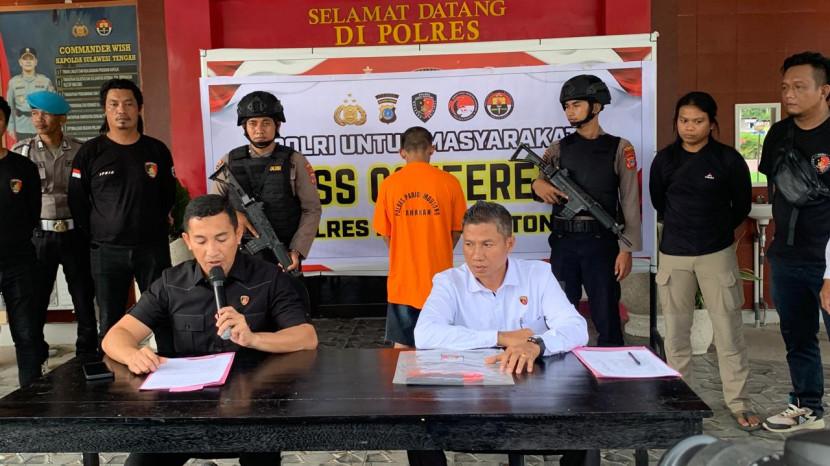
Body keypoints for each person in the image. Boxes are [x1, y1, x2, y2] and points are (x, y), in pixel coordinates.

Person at [102, 194, 318, 466]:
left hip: (254, 410)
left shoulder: (269, 278)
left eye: (221, 238)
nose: (212, 251)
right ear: (188, 241)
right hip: (183, 413)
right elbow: (115, 337)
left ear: (238, 234)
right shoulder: (171, 283)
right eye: (201, 241)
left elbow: (306, 337)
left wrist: (254, 338)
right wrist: (132, 355)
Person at [414, 201, 589, 466]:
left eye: (487, 244)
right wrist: (499, 337)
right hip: (468, 402)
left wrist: (537, 344)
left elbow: (576, 327)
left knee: (587, 424)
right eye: (469, 244)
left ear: (509, 243)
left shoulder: (538, 275)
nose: (476, 255)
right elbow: (425, 334)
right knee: (416, 424)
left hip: (533, 397)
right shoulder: (449, 282)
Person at [649, 91, 758, 431]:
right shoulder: (664, 160)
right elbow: (659, 203)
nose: (689, 127)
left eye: (698, 121)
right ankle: (683, 403)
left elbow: (741, 205)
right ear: (676, 122)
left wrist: (715, 232)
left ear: (711, 124)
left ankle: (739, 403)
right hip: (674, 256)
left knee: (728, 333)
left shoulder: (728, 160)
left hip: (716, 255)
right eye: (684, 120)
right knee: (676, 336)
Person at [531, 74, 642, 346]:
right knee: (558, 315)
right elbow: (538, 182)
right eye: (566, 106)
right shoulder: (558, 149)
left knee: (607, 315)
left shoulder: (620, 148)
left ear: (596, 106)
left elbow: (630, 200)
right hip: (564, 242)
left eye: (576, 104)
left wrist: (626, 249)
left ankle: (612, 366)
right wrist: (537, 185)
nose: (570, 111)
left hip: (602, 244)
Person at [68, 79, 176, 345]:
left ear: (139, 108)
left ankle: (171, 361)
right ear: (104, 109)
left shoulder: (157, 150)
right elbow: (77, 201)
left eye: (128, 104)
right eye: (113, 104)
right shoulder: (90, 152)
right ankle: (112, 367)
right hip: (107, 251)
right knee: (110, 319)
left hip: (152, 248)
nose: (121, 111)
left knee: (162, 313)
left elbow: (168, 195)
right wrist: (99, 232)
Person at [758, 51, 830, 432]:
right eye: (785, 86)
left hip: (826, 259)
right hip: (787, 257)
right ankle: (807, 406)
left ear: (825, 90)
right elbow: (776, 190)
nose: (789, 94)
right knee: (798, 338)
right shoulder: (778, 134)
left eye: (800, 87)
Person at [12, 91, 97, 359]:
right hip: (40, 235)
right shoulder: (23, 151)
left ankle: (87, 352)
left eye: (46, 114)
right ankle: (37, 353)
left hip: (75, 233)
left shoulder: (81, 150)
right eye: (34, 113)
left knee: (83, 296)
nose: (39, 119)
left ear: (62, 118)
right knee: (37, 298)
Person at [373, 126, 467, 348]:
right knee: (441, 347)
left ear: (402, 152)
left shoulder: (389, 185)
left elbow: (385, 233)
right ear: (431, 149)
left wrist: (401, 253)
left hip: (403, 283)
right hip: (440, 282)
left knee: (402, 348)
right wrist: (441, 250)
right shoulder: (450, 182)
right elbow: (458, 229)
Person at [211, 90, 321, 272]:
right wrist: (234, 215)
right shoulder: (229, 161)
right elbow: (212, 206)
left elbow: (312, 209)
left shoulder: (294, 161)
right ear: (244, 127)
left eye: (266, 123)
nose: (259, 129)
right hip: (237, 255)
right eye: (252, 123)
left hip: (284, 254)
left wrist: (297, 250)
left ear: (277, 125)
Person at [0, 96, 44, 386]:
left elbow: (32, 212)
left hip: (19, 262)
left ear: (5, 124)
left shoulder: (23, 167)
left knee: (27, 333)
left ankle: (32, 396)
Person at [6, 47, 55, 142]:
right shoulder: (13, 83)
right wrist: (10, 127)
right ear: (20, 62)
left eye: (31, 59)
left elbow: (53, 106)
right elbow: (9, 107)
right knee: (23, 151)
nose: (28, 62)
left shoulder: (45, 81)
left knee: (41, 151)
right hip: (22, 128)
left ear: (36, 62)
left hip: (41, 126)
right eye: (25, 59)